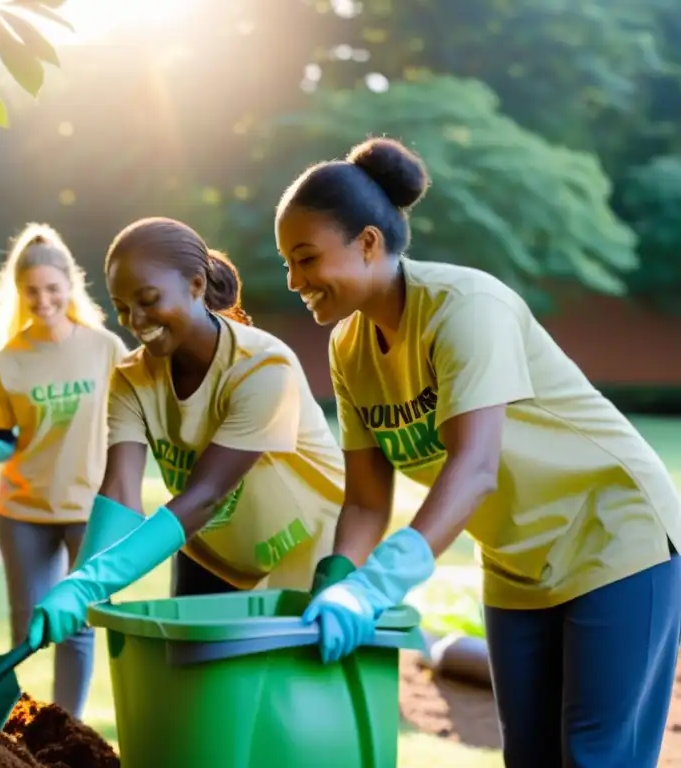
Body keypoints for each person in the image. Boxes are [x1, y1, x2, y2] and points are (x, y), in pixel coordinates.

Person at [273, 137, 681, 768]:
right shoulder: (349, 348)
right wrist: (334, 586)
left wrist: (376, 587)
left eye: (306, 258)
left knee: (597, 756)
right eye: (286, 264)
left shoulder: (465, 307)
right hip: (517, 564)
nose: (296, 281)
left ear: (369, 243)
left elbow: (474, 467)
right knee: (529, 756)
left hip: (614, 536)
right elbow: (364, 499)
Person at [24, 217, 350, 651]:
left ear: (196, 285)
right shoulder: (131, 379)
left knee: (283, 702)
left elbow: (207, 494)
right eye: (122, 307)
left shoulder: (263, 367)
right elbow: (121, 490)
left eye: (148, 300)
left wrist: (89, 583)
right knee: (195, 684)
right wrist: (85, 581)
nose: (135, 321)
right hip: (210, 549)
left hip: (305, 551)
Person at [0, 223, 128, 719]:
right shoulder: (5, 362)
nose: (43, 299)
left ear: (70, 286)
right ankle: (21, 724)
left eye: (52, 288)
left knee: (78, 625)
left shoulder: (106, 348)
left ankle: (65, 727)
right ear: (19, 294)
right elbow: (5, 444)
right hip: (22, 510)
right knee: (28, 628)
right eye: (32, 291)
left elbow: (131, 421)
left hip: (88, 508)